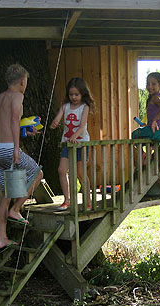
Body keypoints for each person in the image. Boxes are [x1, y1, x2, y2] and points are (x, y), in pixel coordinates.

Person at [0, 64, 43, 250]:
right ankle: (16, 209)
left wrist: (26, 133)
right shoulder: (18, 96)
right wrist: (17, 148)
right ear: (22, 81)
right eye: (26, 81)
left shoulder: (1, 97)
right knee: (36, 173)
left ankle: (1, 238)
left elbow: (5, 125)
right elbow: (13, 121)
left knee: (4, 194)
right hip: (7, 148)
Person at [50, 77, 94, 210]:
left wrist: (74, 136)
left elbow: (81, 126)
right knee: (62, 170)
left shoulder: (84, 107)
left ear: (82, 94)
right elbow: (58, 117)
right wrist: (55, 122)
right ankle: (67, 200)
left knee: (80, 173)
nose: (73, 97)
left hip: (81, 144)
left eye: (76, 94)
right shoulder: (65, 106)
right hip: (67, 144)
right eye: (71, 94)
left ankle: (88, 200)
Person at [131, 72, 160, 142]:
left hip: (158, 131)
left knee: (135, 134)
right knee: (147, 136)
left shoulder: (155, 98)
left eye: (153, 84)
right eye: (148, 84)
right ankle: (150, 150)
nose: (150, 86)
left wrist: (154, 120)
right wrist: (149, 125)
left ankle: (142, 153)